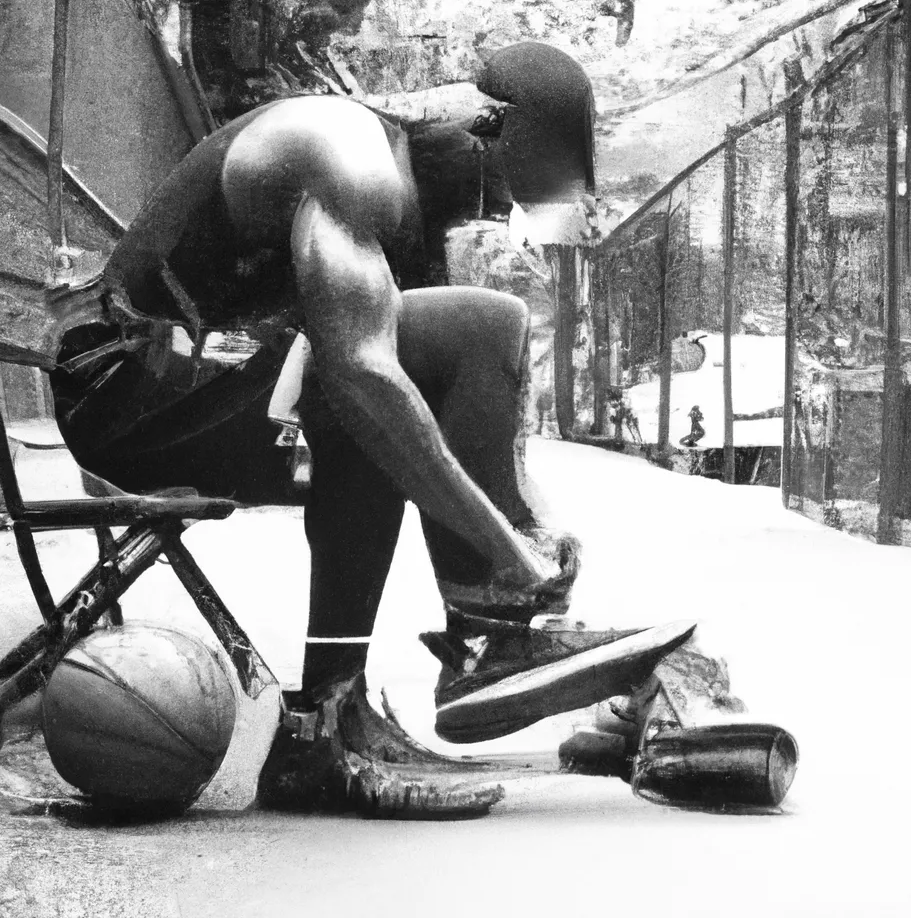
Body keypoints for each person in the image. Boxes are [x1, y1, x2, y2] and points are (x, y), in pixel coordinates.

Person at [47, 72, 592, 818]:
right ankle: (391, 691)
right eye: (497, 192)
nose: (486, 213)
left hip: (186, 381)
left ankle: (375, 695)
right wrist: (507, 550)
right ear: (486, 131)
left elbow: (428, 378)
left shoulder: (376, 166)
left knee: (454, 342)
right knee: (391, 376)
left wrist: (530, 518)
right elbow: (365, 374)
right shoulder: (347, 159)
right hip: (132, 398)